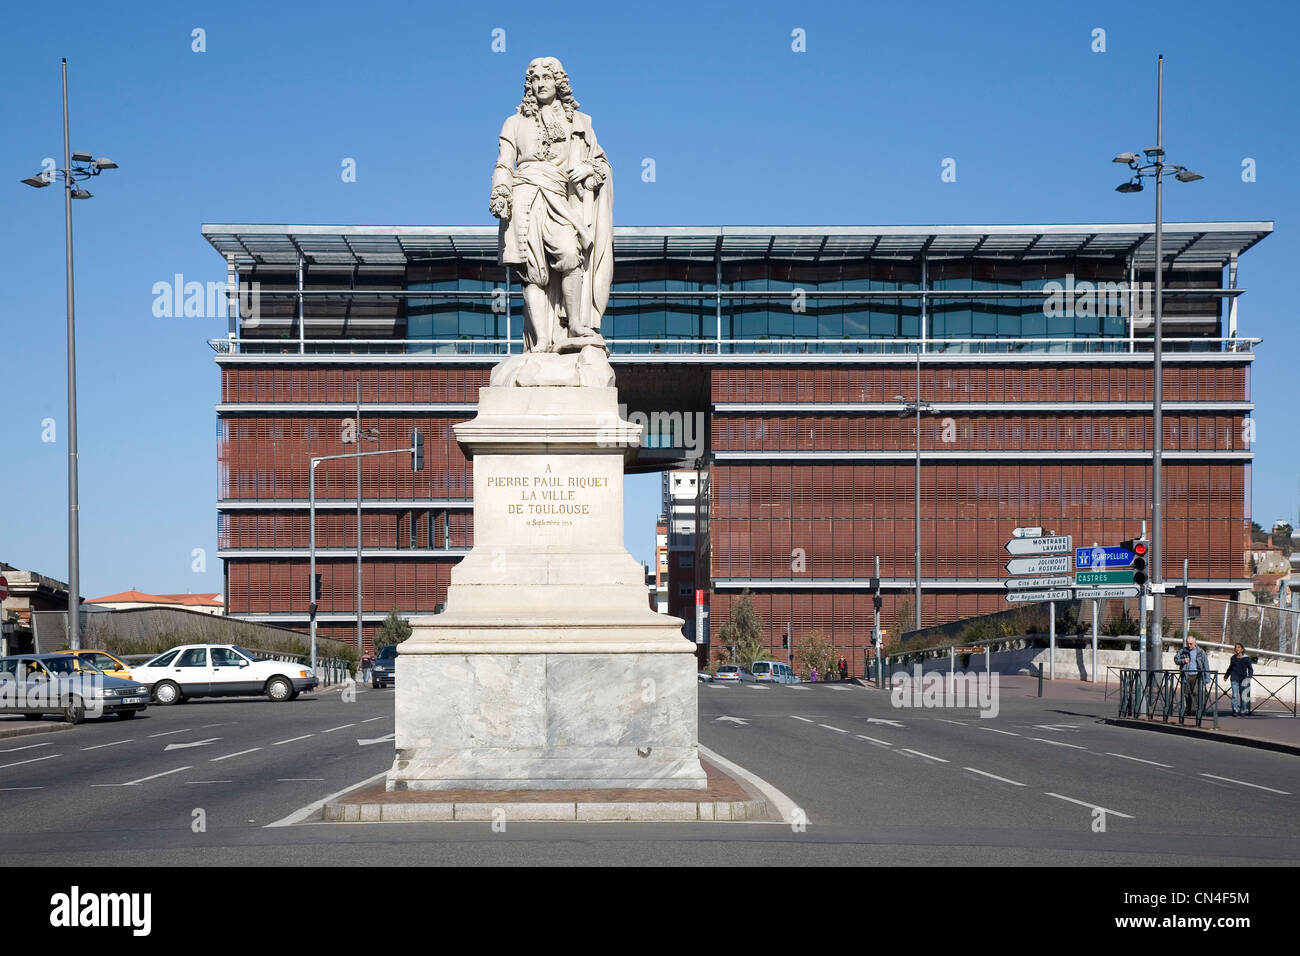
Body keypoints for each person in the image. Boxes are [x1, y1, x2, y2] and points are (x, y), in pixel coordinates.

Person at [490, 57, 613, 354]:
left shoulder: (579, 122)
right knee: (532, 272)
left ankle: (575, 326)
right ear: (529, 85)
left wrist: (587, 169)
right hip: (525, 196)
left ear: (558, 82)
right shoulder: (514, 123)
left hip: (560, 199)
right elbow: (504, 165)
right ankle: (542, 340)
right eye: (535, 79)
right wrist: (500, 192)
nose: (541, 83)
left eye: (547, 77)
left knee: (571, 255)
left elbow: (602, 165)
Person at [1173, 635, 1209, 717]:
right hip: (1186, 675)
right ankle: (1188, 710)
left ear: (1195, 643)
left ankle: (1195, 710)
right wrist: (1183, 661)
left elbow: (1205, 664)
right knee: (1187, 693)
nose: (1189, 645)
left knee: (1196, 693)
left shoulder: (1200, 652)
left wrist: (1207, 677)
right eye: (1188, 643)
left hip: (1197, 675)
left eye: (1191, 644)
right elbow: (1176, 659)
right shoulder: (1183, 651)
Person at [1224, 643, 1254, 716]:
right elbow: (1230, 668)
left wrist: (1249, 677)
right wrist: (1226, 676)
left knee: (1243, 696)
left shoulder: (1247, 658)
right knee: (1234, 695)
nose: (1237, 648)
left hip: (1243, 679)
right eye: (1236, 647)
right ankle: (1235, 710)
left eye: (1239, 647)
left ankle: (1243, 711)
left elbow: (1250, 669)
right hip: (1234, 678)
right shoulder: (1233, 658)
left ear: (1242, 649)